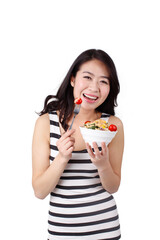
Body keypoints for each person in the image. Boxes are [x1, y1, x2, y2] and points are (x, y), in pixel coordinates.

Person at [32, 49, 124, 240]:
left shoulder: (112, 126)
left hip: (105, 231)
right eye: (88, 77)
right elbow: (40, 191)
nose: (94, 88)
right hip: (61, 234)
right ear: (73, 79)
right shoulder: (45, 123)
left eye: (103, 81)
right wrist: (62, 158)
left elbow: (113, 187)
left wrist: (102, 165)